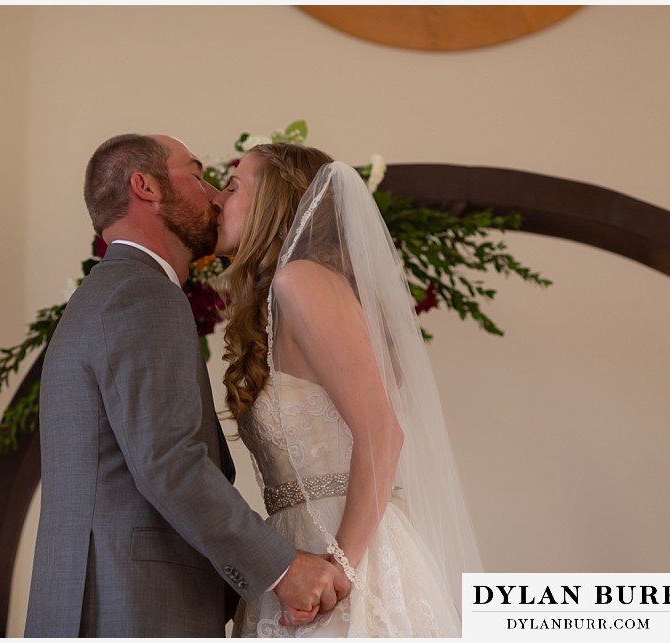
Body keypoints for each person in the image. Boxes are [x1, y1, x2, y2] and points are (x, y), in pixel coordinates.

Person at [24, 134, 350, 637]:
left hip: (101, 598)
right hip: (128, 607)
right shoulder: (142, 294)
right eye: (198, 176)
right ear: (146, 186)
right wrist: (283, 567)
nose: (216, 196)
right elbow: (168, 460)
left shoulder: (110, 292)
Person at [213, 143, 483, 637]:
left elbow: (382, 431)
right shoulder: (279, 297)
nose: (216, 199)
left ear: (272, 204)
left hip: (345, 552)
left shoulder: (302, 281)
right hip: (296, 551)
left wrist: (340, 566)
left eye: (232, 188)